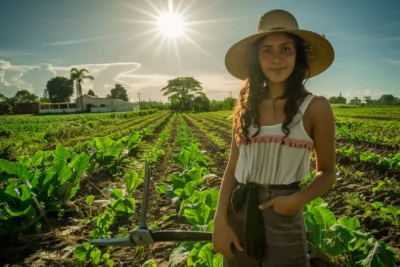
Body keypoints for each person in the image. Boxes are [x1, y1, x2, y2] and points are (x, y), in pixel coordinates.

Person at [212, 9, 337, 267]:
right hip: (239, 212)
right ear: (256, 58)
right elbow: (232, 168)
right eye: (267, 50)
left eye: (285, 49)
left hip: (284, 216)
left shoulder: (316, 107)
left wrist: (294, 202)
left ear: (298, 55)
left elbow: (327, 172)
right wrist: (219, 222)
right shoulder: (246, 107)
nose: (276, 58)